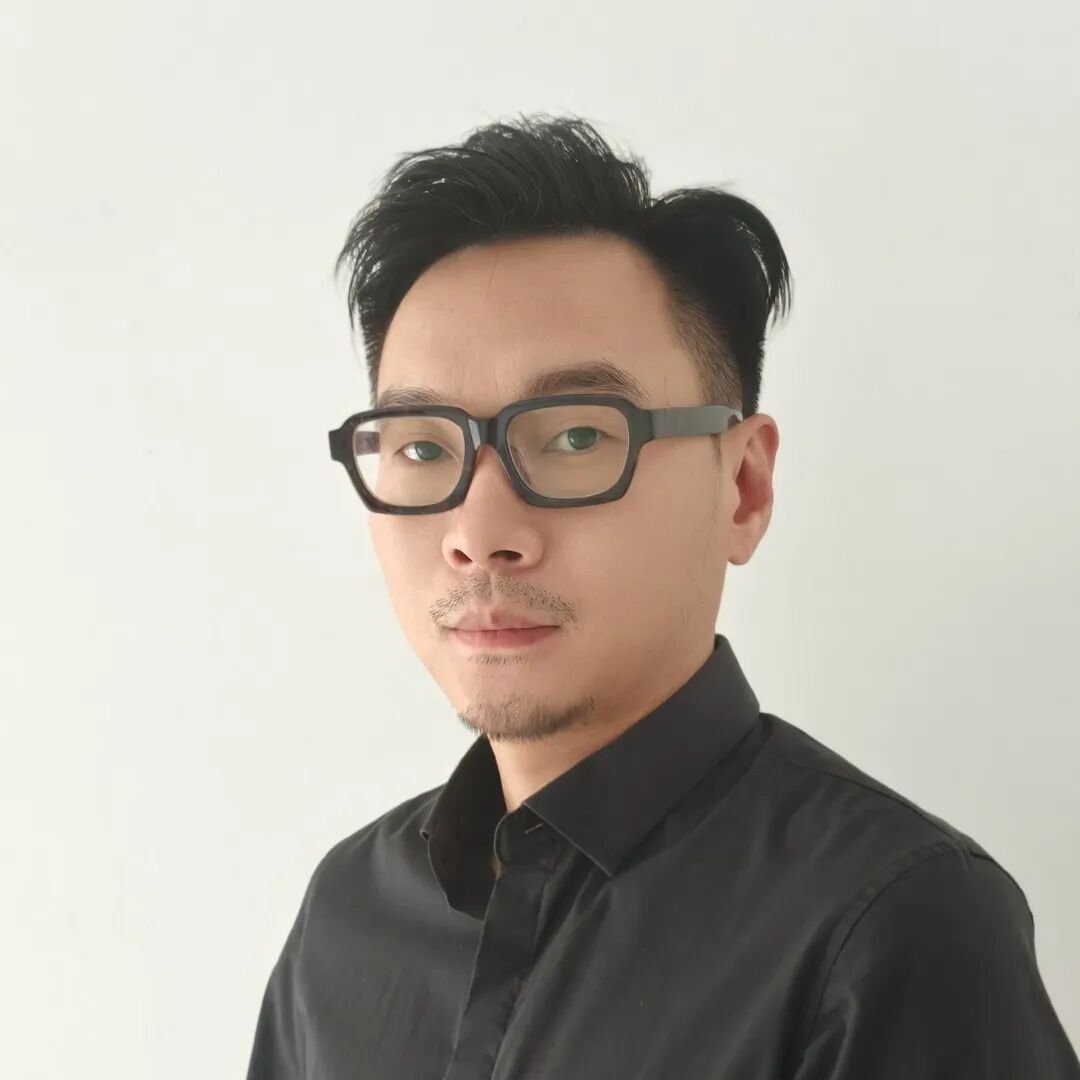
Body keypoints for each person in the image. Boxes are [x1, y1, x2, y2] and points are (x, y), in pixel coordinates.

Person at [245, 113, 1080, 1079]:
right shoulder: (348, 915)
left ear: (743, 487)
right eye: (424, 447)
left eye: (576, 437)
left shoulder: (889, 926)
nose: (479, 533)